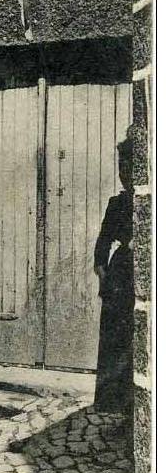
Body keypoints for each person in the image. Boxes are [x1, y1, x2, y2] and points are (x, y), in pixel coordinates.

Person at [94, 138, 134, 413]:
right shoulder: (116, 204)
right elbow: (101, 246)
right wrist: (105, 278)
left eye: (130, 165)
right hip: (120, 275)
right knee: (114, 339)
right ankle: (111, 401)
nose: (125, 172)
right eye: (122, 166)